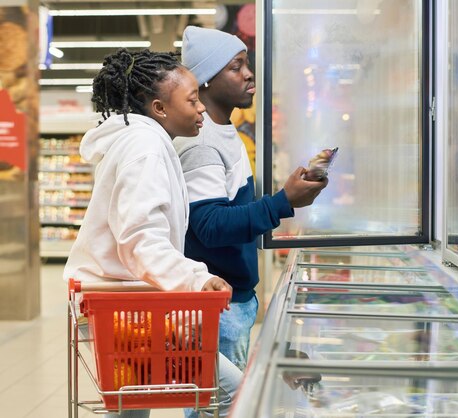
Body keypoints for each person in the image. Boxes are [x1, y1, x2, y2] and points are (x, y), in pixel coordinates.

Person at [62, 48, 241, 418]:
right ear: (160, 108)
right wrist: (195, 278)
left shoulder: (144, 141)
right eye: (192, 100)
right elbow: (141, 239)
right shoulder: (145, 149)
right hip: (123, 308)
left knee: (132, 405)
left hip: (123, 303)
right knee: (232, 392)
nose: (201, 108)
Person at [174, 25, 327, 380]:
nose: (249, 74)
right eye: (236, 66)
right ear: (207, 80)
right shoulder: (201, 144)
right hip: (217, 307)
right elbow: (210, 226)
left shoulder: (226, 133)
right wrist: (282, 202)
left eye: (247, 64)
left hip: (232, 301)